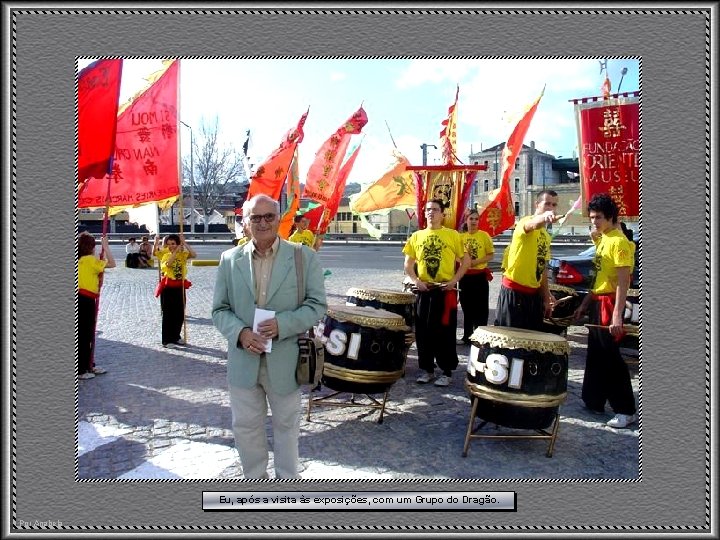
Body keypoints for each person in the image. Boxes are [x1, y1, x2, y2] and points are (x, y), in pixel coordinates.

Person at [212, 194, 327, 479]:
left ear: (279, 220)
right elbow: (219, 310)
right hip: (244, 359)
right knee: (246, 429)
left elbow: (317, 305)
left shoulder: (303, 256)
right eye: (255, 217)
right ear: (246, 223)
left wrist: (283, 324)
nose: (262, 222)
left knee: (287, 429)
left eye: (269, 217)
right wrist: (240, 333)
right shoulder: (229, 260)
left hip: (285, 360)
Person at [573, 194, 637, 429]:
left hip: (610, 304)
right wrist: (584, 304)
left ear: (610, 217)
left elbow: (623, 282)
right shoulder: (603, 240)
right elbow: (598, 278)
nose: (595, 222)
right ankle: (595, 399)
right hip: (598, 302)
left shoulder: (619, 242)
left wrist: (617, 314)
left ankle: (625, 409)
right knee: (597, 356)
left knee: (611, 359)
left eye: (599, 217)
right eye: (591, 218)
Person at [403, 198, 470, 387]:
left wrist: (453, 281)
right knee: (423, 332)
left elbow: (466, 262)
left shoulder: (453, 235)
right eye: (428, 210)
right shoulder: (416, 236)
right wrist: (416, 281)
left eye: (435, 209)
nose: (431, 213)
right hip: (424, 291)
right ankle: (427, 369)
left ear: (443, 214)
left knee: (444, 333)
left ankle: (446, 371)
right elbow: (408, 264)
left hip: (444, 291)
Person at [494, 189, 561, 331]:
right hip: (515, 292)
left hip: (534, 296)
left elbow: (542, 268)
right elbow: (533, 224)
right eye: (547, 204)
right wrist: (545, 217)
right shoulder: (525, 223)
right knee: (509, 341)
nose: (551, 208)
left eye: (554, 205)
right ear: (537, 204)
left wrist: (546, 296)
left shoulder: (546, 236)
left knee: (530, 342)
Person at [77, 232, 116, 379]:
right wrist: (105, 247)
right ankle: (81, 369)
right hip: (85, 299)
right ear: (91, 247)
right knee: (85, 334)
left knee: (85, 333)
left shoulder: (80, 259)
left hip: (83, 298)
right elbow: (112, 264)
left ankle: (88, 364)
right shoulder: (89, 260)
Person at [457, 209, 495, 345]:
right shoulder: (460, 237)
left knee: (481, 307)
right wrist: (464, 263)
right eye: (471, 219)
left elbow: (490, 254)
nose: (473, 221)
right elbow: (456, 255)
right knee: (466, 306)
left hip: (479, 276)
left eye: (476, 219)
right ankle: (467, 336)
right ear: (466, 220)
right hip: (465, 276)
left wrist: (474, 262)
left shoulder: (484, 236)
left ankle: (481, 336)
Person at [153, 233, 197, 347]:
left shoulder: (182, 255)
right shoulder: (166, 255)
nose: (171, 246)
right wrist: (176, 250)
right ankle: (167, 340)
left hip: (180, 286)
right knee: (169, 314)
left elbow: (194, 254)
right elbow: (169, 263)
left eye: (173, 243)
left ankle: (176, 336)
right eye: (168, 244)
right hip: (168, 288)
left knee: (180, 313)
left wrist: (184, 243)